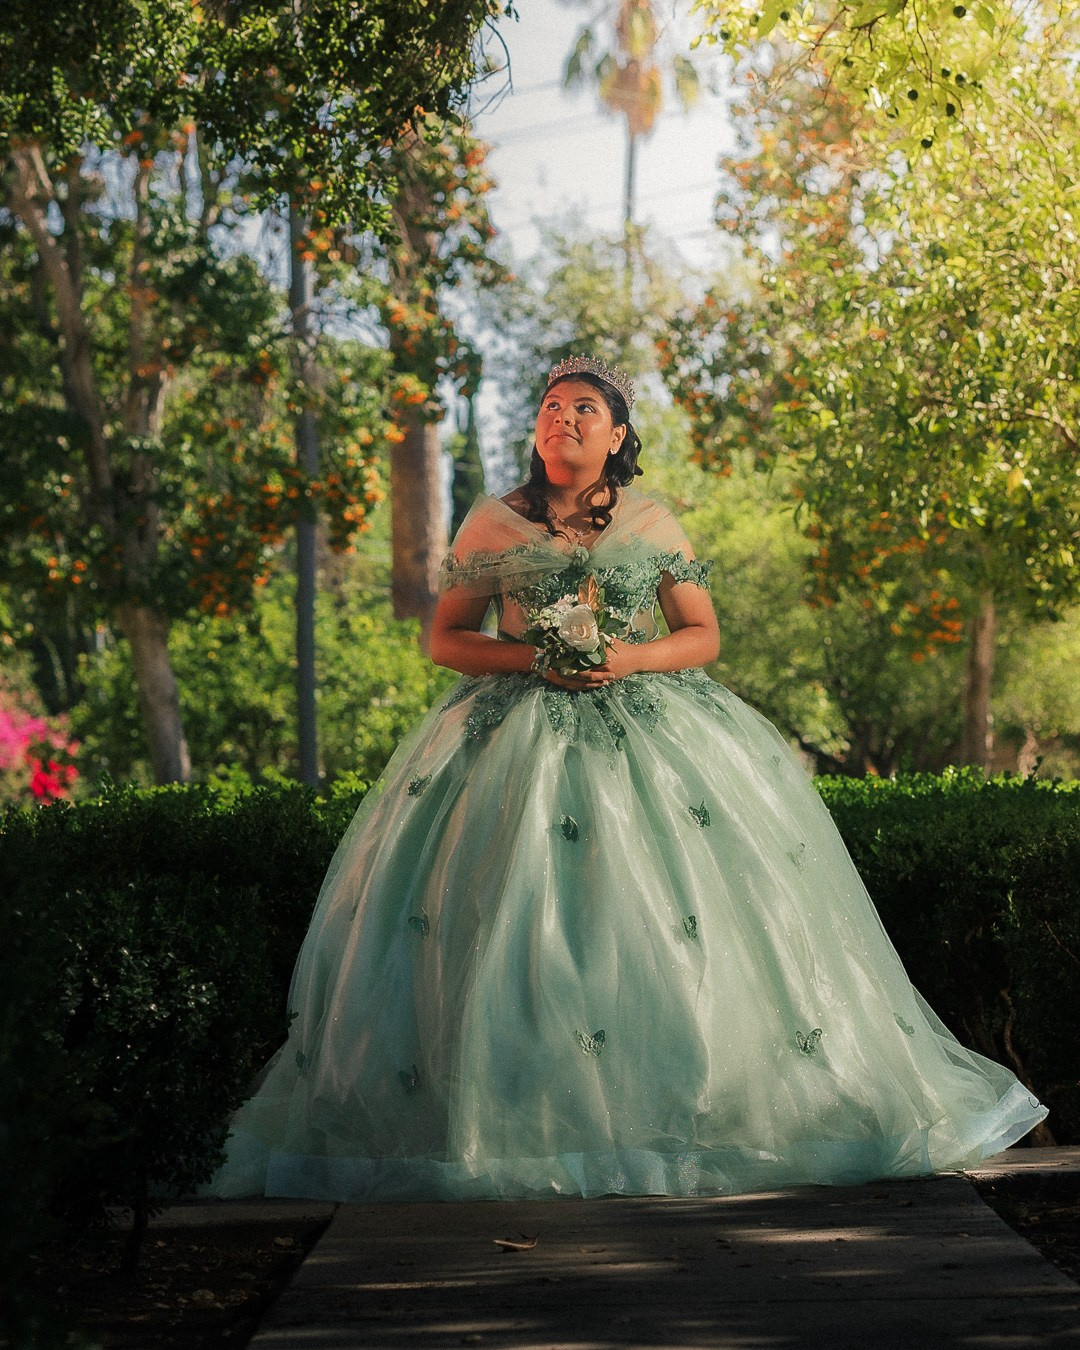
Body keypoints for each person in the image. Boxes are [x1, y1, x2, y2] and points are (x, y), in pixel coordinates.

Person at [208, 355, 1046, 1203]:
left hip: (652, 726)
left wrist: (628, 659)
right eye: (548, 407)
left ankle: (695, 1110)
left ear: (616, 436)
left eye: (582, 408)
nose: (561, 418)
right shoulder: (491, 525)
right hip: (508, 739)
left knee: (672, 920)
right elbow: (448, 640)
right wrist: (537, 655)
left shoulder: (652, 520)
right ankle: (514, 1124)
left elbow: (702, 634)